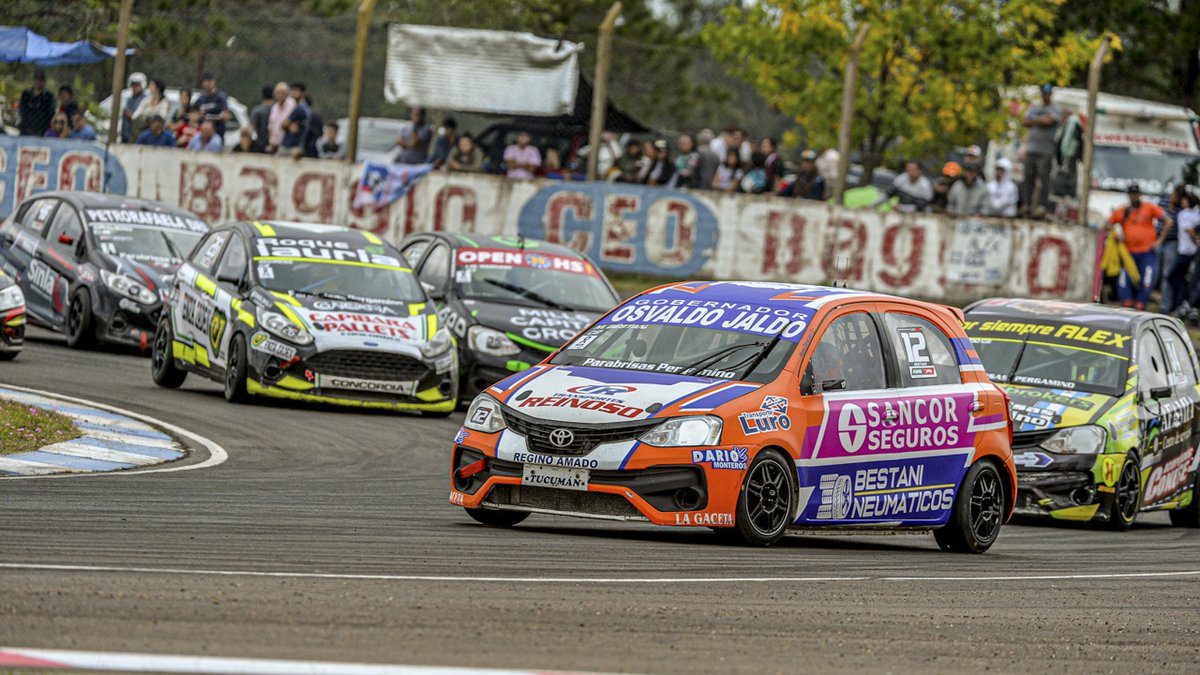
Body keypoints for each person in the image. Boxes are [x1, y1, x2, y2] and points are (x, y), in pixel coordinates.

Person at [1109, 184, 1171, 310]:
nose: (1134, 196)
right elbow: (1107, 224)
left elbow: (1168, 221)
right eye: (1131, 194)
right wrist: (1116, 234)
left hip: (1147, 251)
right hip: (1128, 252)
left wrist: (1159, 241)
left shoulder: (1149, 207)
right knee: (1124, 278)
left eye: (1136, 194)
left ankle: (1141, 303)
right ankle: (1126, 302)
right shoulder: (1123, 211)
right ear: (1129, 195)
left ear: (1139, 195)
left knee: (1147, 278)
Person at [1022, 84, 1061, 216]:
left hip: (1045, 151)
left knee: (1044, 179)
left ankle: (1042, 205)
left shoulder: (1055, 109)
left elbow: (1049, 121)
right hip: (1031, 149)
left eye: (1047, 93)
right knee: (1028, 178)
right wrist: (1040, 120)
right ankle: (1027, 205)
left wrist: (1035, 120)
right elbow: (1025, 121)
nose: (1045, 96)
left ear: (1051, 94)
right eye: (1043, 93)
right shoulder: (1035, 107)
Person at [1165, 192, 1199, 316]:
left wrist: (1196, 239)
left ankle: (1180, 303)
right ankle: (1179, 302)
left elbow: (1189, 230)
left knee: (1171, 276)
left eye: (1185, 200)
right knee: (1181, 279)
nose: (1182, 202)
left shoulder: (1185, 214)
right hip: (1187, 251)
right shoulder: (1196, 214)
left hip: (1185, 252)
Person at [18, 69, 54, 137]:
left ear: (44, 81)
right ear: (34, 80)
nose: (38, 81)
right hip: (25, 130)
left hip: (42, 131)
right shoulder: (26, 94)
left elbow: (51, 113)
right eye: (36, 78)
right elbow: (21, 110)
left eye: (41, 79)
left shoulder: (48, 96)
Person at [193, 73, 231, 137]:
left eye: (210, 81)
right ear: (203, 83)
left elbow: (226, 116)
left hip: (217, 133)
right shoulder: (201, 98)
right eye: (206, 81)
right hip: (203, 134)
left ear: (214, 82)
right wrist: (199, 115)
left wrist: (215, 117)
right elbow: (193, 114)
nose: (208, 83)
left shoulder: (220, 97)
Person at [266, 82, 294, 153]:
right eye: (278, 93)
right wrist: (270, 142)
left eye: (282, 93)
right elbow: (270, 126)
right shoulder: (274, 108)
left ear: (287, 94)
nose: (280, 95)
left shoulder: (292, 105)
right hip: (274, 145)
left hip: (286, 145)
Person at [119, 72, 147, 143]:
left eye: (137, 85)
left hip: (136, 135)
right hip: (126, 133)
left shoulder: (145, 99)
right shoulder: (130, 99)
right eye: (133, 85)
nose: (134, 87)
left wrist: (129, 114)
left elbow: (136, 116)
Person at [249, 84, 273, 151]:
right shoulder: (277, 109)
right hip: (275, 144)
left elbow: (251, 128)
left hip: (261, 144)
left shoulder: (257, 110)